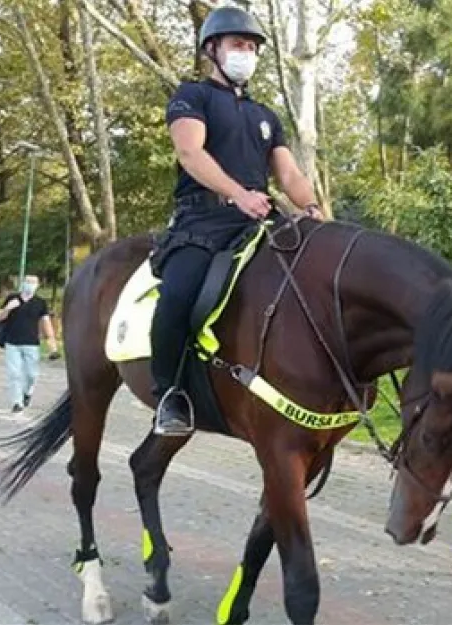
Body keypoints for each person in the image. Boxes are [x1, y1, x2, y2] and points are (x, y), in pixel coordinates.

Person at [150, 5, 324, 437]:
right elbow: (190, 153)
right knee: (178, 297)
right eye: (237, 44)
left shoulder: (266, 116)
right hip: (202, 222)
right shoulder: (192, 96)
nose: (245, 53)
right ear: (213, 49)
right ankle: (169, 395)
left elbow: (289, 175)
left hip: (258, 222)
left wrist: (314, 209)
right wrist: (238, 194)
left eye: (251, 47)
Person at [0, 275, 60, 413]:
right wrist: (8, 308)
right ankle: (17, 402)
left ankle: (27, 393)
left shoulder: (40, 303)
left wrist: (52, 346)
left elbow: (46, 323)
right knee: (14, 373)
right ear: (22, 283)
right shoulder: (12, 298)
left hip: (31, 344)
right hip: (12, 342)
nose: (30, 284)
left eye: (33, 282)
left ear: (38, 285)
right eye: (27, 282)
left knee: (32, 375)